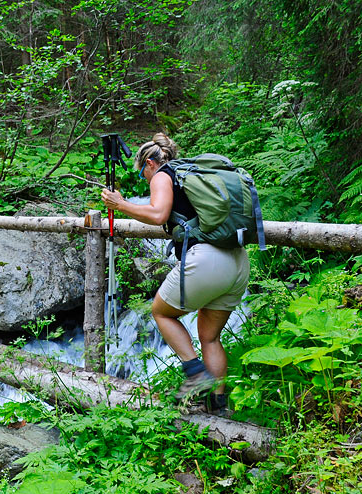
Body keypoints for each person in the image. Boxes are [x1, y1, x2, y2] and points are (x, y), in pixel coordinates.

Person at [100, 133, 250, 413]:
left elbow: (158, 214)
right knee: (209, 337)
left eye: (142, 173)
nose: (145, 179)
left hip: (206, 260)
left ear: (149, 163)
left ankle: (196, 374)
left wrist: (119, 205)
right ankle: (218, 405)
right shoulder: (189, 176)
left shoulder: (162, 175)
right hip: (237, 261)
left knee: (161, 312)